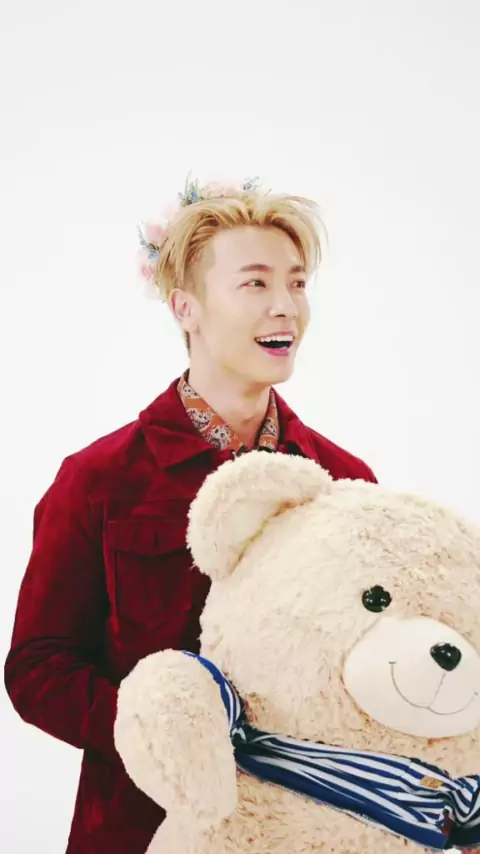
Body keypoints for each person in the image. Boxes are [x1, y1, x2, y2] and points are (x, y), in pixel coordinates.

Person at [4, 175, 377, 854]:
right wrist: (161, 732)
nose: (286, 306)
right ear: (186, 307)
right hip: (139, 830)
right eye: (255, 283)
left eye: (297, 283)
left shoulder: (344, 480)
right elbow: (38, 667)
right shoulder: (97, 479)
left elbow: (381, 657)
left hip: (308, 833)